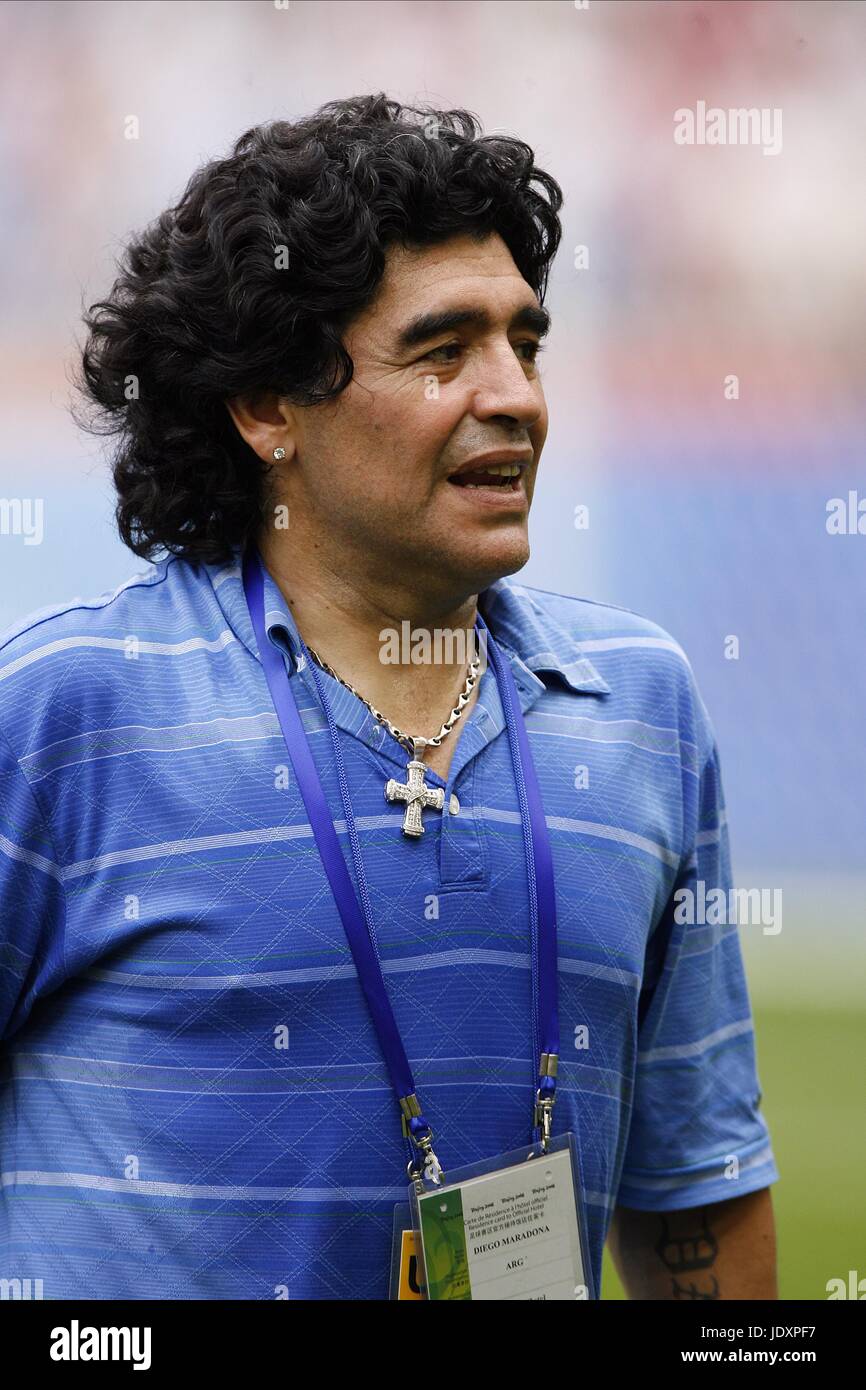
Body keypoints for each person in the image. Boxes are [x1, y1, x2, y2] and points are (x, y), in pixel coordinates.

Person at [0, 94, 778, 1300]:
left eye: (524, 342)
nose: (514, 393)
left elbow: (697, 1183)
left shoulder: (640, 709)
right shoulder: (64, 715)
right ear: (268, 408)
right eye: (442, 350)